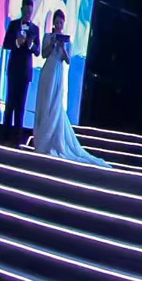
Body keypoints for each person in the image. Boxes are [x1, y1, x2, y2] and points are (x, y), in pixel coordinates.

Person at [28, 9, 106, 166]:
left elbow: (68, 60)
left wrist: (62, 46)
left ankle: (52, 140)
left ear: (63, 23)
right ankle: (41, 139)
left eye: (61, 22)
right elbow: (44, 54)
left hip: (58, 74)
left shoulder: (67, 41)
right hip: (47, 73)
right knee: (44, 104)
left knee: (55, 105)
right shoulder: (48, 36)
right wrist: (52, 44)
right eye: (56, 22)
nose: (58, 25)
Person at [0, 0, 39, 132]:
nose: (28, 15)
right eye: (26, 11)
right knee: (9, 104)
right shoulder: (13, 25)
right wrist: (17, 42)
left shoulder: (35, 29)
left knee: (21, 107)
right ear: (22, 9)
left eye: (30, 12)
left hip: (25, 72)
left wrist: (30, 45)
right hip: (13, 70)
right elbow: (5, 44)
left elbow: (38, 51)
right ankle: (5, 135)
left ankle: (17, 137)